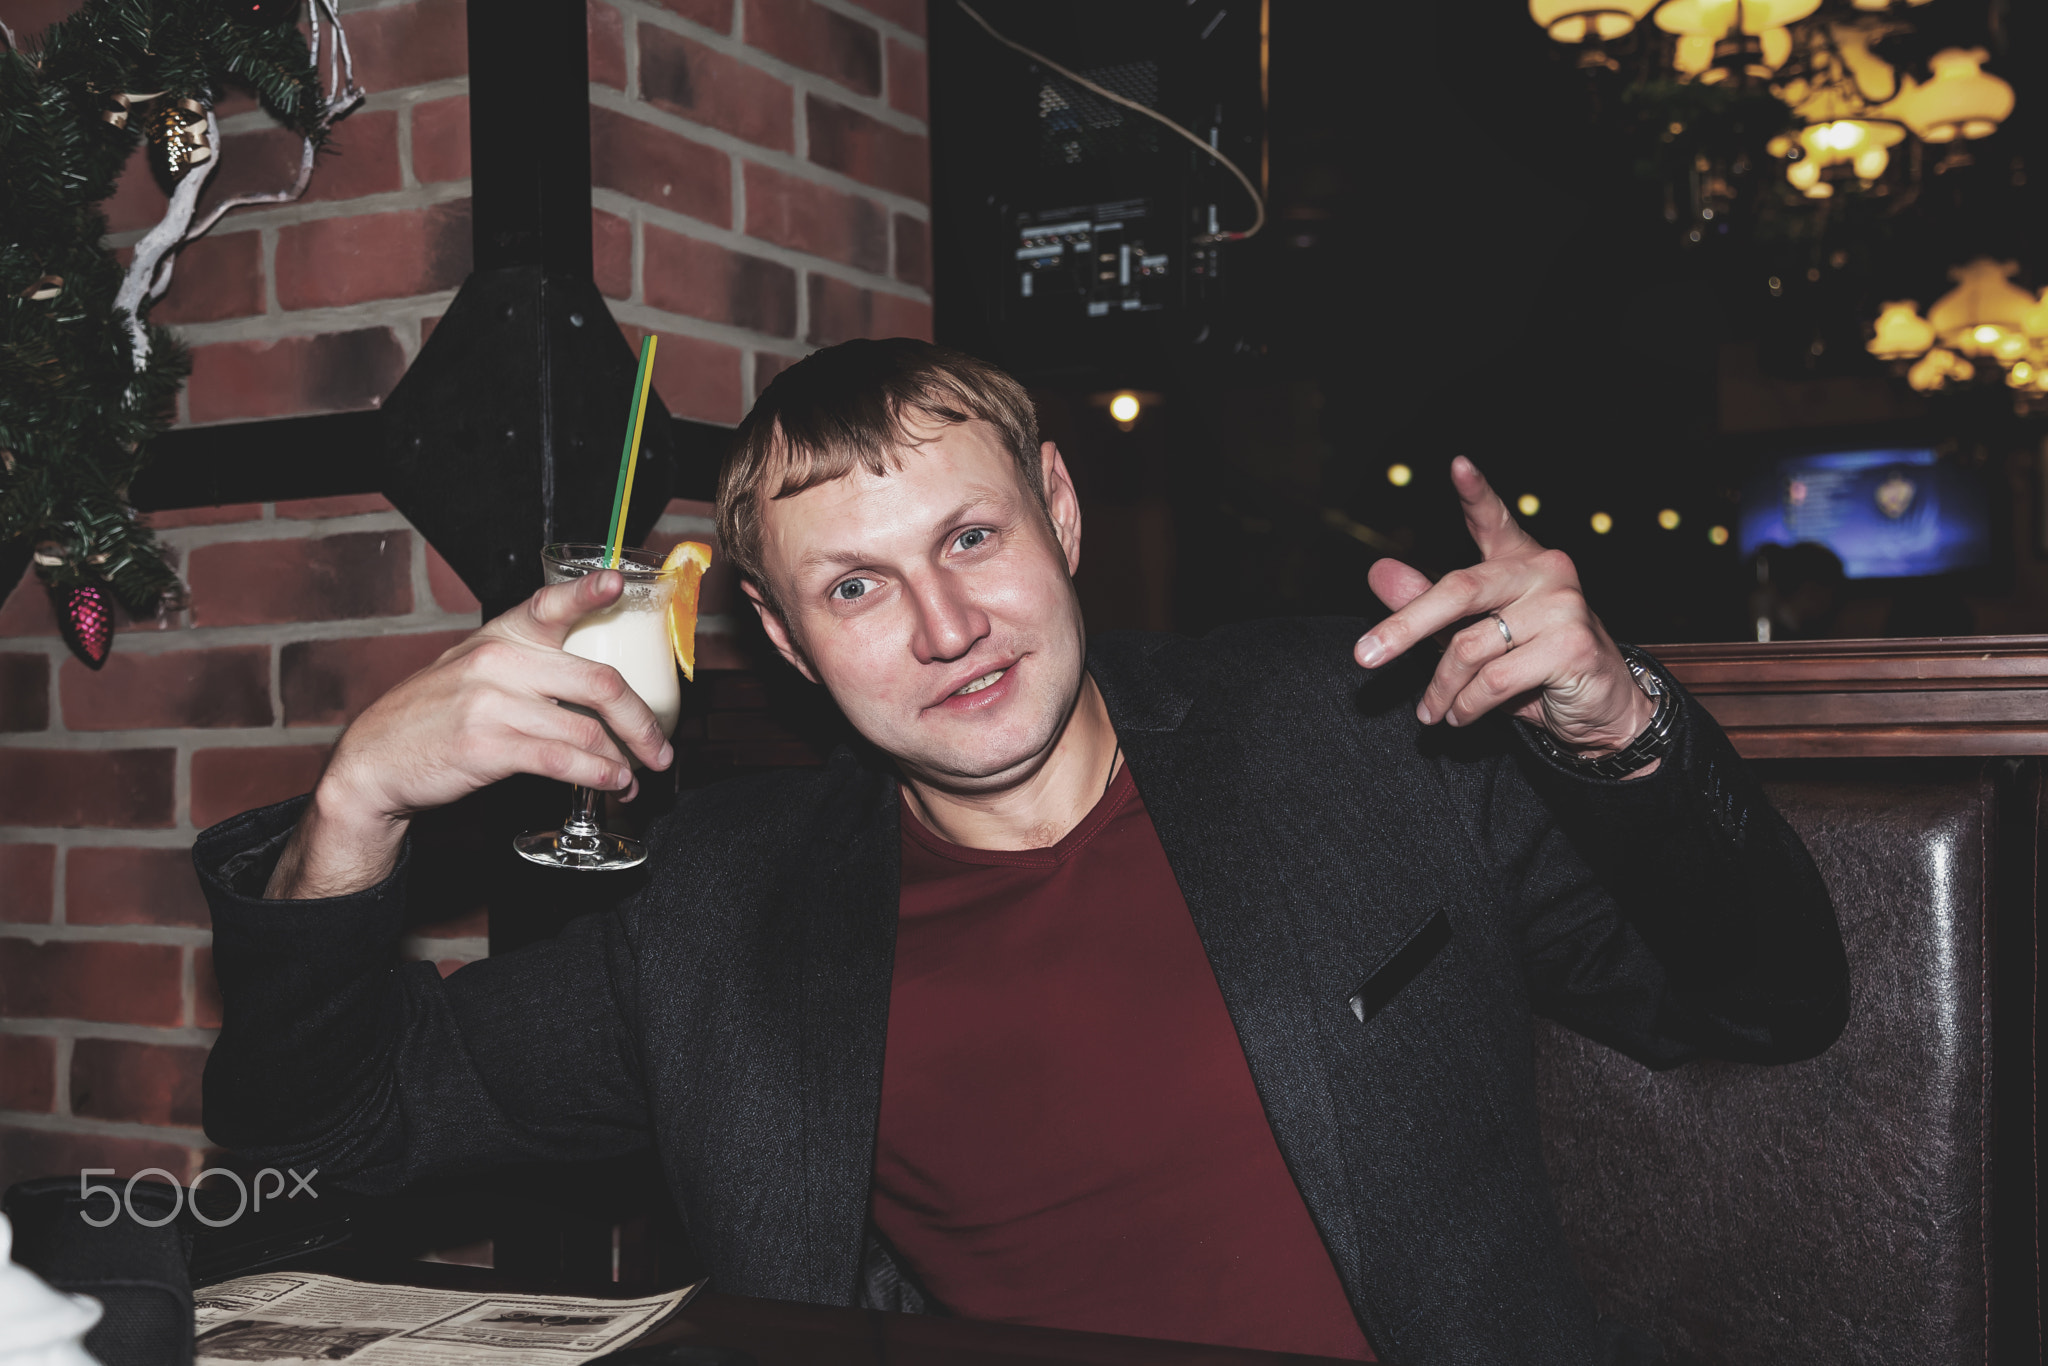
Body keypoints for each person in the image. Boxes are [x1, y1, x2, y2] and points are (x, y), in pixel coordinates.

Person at [199, 339, 1849, 1365]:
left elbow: (1770, 996)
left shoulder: (1355, 731)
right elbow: (320, 1155)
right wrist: (356, 807)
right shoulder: (718, 909)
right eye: (854, 586)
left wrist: (1616, 720)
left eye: (970, 536)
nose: (944, 626)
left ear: (1057, 513)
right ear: (775, 635)